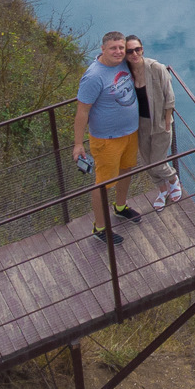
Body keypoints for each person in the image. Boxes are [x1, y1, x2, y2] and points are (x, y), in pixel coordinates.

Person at [72, 31, 141, 244]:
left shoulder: (123, 64)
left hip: (130, 133)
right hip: (106, 139)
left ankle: (120, 207)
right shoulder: (94, 76)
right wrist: (77, 144)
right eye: (113, 48)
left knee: (126, 170)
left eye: (121, 48)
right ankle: (99, 227)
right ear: (103, 49)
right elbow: (82, 111)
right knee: (103, 184)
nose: (119, 52)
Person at [123, 36, 184, 211]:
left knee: (157, 161)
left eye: (138, 49)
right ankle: (162, 190)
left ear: (142, 49)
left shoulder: (156, 68)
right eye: (130, 51)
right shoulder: (126, 73)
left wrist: (167, 120)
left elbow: (169, 96)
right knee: (147, 161)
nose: (134, 54)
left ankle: (173, 179)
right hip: (139, 123)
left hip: (159, 122)